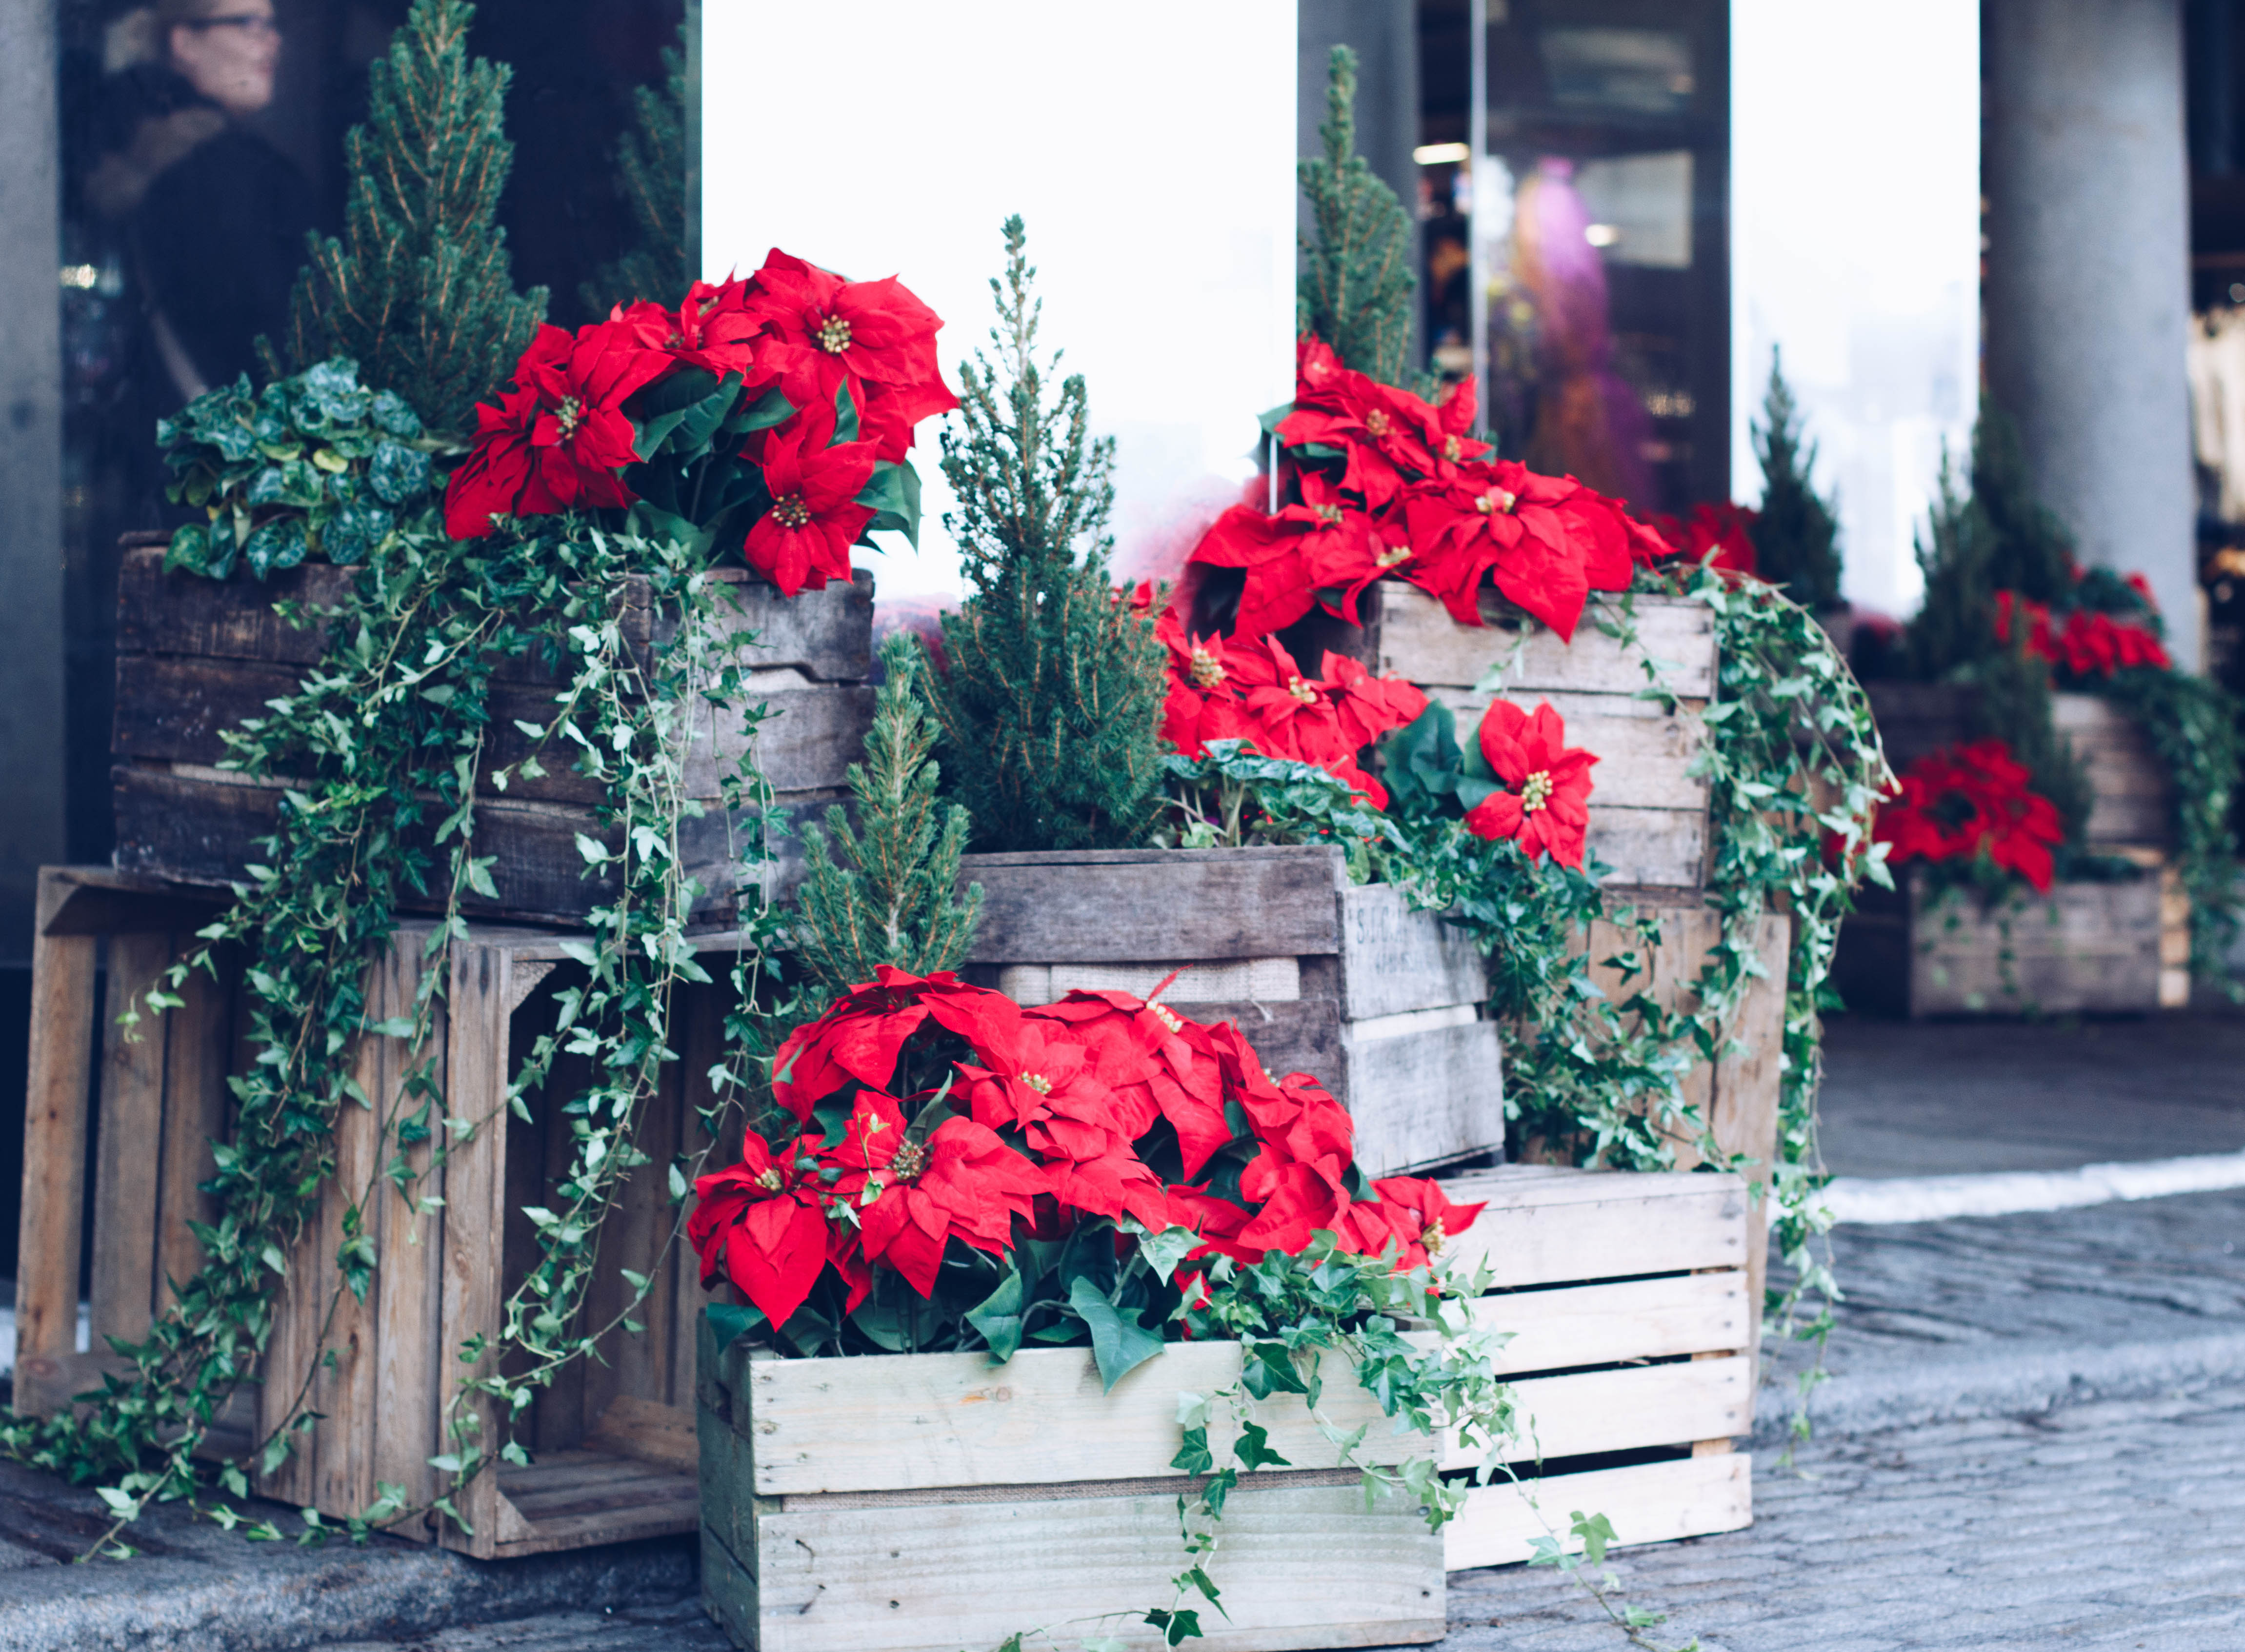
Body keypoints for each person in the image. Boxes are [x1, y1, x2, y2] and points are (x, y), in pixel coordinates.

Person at [84, 0, 315, 405]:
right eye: (248, 24)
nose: (272, 41)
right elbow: (271, 339)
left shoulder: (133, 154)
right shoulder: (229, 171)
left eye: (272, 26)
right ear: (185, 42)